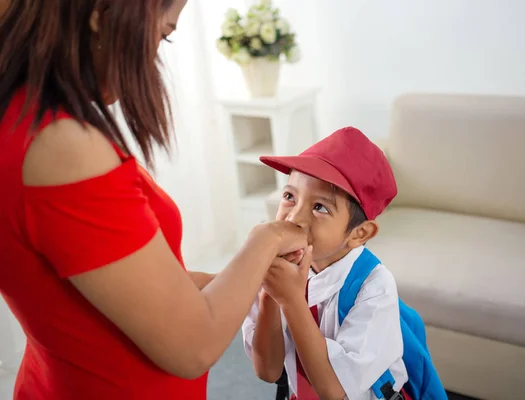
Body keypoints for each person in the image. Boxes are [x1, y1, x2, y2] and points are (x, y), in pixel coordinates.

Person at [0, 1, 308, 399]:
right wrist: (268, 239)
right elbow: (194, 345)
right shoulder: (61, 148)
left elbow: (145, 282)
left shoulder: (28, 119)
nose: (154, 58)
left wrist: (250, 282)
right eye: (163, 33)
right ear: (100, 13)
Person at [242, 126, 410, 400]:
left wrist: (291, 300)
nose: (294, 218)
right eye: (289, 197)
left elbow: (334, 391)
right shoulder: (274, 268)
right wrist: (268, 295)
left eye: (320, 207)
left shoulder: (374, 287)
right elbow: (268, 371)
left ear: (359, 233)